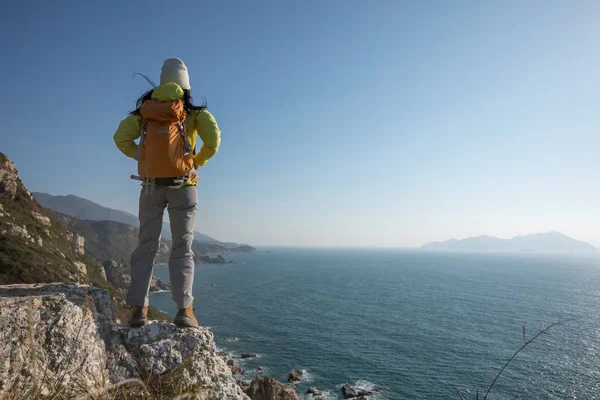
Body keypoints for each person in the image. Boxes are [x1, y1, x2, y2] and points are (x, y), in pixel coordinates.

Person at [113, 58, 221, 328]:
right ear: (186, 85)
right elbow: (214, 142)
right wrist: (195, 162)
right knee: (181, 248)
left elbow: (120, 139)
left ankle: (139, 309)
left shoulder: (146, 112)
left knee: (146, 246)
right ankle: (184, 310)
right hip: (184, 187)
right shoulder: (194, 113)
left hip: (150, 186)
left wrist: (144, 156)